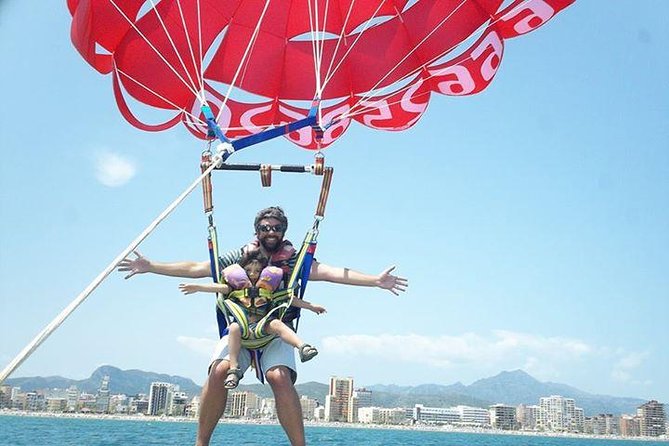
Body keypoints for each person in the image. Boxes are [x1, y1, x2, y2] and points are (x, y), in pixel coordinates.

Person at [118, 206, 407, 446]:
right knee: (219, 371)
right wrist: (152, 266)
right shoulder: (239, 257)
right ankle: (201, 444)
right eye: (266, 227)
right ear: (257, 231)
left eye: (277, 227)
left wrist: (374, 281)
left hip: (274, 328)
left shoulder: (294, 261)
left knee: (280, 377)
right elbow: (198, 268)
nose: (271, 232)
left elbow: (332, 273)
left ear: (283, 231)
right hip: (240, 328)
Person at [178, 248, 326, 389]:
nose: (253, 274)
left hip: (263, 327)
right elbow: (218, 288)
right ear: (242, 272)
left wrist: (311, 306)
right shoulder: (236, 288)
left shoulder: (270, 289)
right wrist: (197, 287)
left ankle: (303, 347)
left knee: (277, 324)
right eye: (248, 271)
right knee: (233, 328)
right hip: (243, 329)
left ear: (263, 273)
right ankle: (234, 369)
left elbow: (290, 299)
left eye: (257, 271)